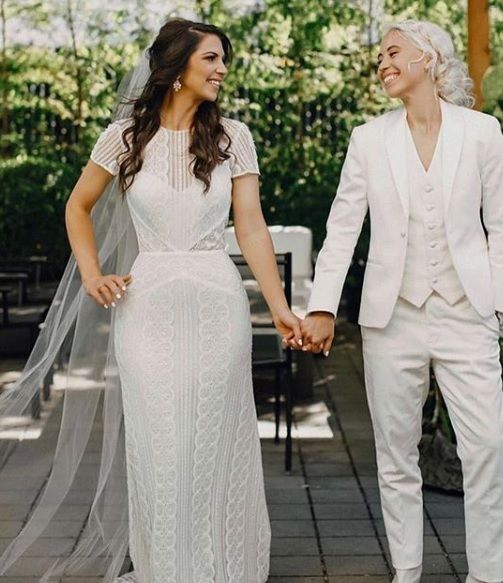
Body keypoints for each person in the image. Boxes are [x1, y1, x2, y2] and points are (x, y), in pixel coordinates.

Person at [0, 18, 302, 583]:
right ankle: (168, 568)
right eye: (211, 59)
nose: (221, 70)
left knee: (215, 437)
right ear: (176, 67)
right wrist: (93, 274)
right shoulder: (123, 138)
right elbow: (77, 207)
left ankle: (224, 567)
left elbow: (253, 227)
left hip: (217, 300)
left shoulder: (233, 136)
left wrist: (280, 308)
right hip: (148, 305)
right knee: (158, 440)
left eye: (222, 60)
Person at [300, 20, 503, 583]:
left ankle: (489, 575)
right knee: (396, 455)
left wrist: (494, 304)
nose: (382, 63)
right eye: (379, 57)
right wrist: (322, 306)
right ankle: (407, 571)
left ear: (430, 57)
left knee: (487, 450)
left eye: (392, 52)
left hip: (465, 313)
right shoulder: (368, 139)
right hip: (390, 317)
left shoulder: (482, 132)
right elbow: (343, 228)